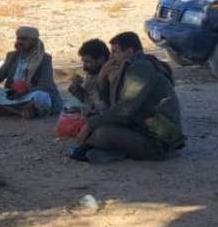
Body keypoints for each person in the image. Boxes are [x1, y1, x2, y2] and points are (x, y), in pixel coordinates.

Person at [71, 32, 186, 163]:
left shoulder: (141, 69)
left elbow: (124, 111)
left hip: (159, 139)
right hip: (142, 126)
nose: (112, 57)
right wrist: (102, 77)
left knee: (101, 133)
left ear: (129, 51)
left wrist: (90, 125)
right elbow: (110, 106)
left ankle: (110, 150)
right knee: (98, 128)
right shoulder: (131, 67)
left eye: (115, 52)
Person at [0, 26, 62, 118]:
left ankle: (10, 109)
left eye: (24, 39)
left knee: (41, 96)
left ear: (34, 41)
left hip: (30, 94)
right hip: (13, 94)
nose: (20, 42)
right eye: (18, 38)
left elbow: (45, 85)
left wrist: (24, 91)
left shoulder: (44, 58)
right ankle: (21, 111)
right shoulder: (12, 56)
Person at [68, 38, 114, 113]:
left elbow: (106, 105)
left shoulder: (112, 74)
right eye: (84, 62)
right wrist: (75, 86)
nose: (84, 67)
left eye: (87, 62)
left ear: (101, 59)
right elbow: (86, 98)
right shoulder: (93, 72)